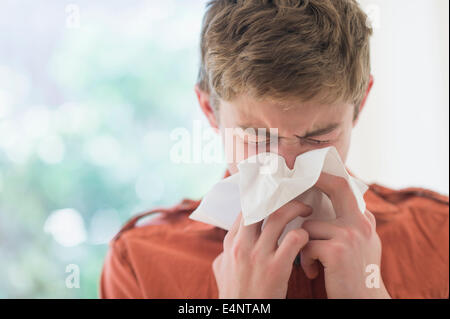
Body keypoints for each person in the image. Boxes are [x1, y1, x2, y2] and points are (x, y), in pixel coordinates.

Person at [100, 0, 449, 298]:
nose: (289, 165)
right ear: (209, 110)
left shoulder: (438, 238)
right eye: (257, 137)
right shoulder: (142, 264)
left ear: (361, 103)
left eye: (318, 137)